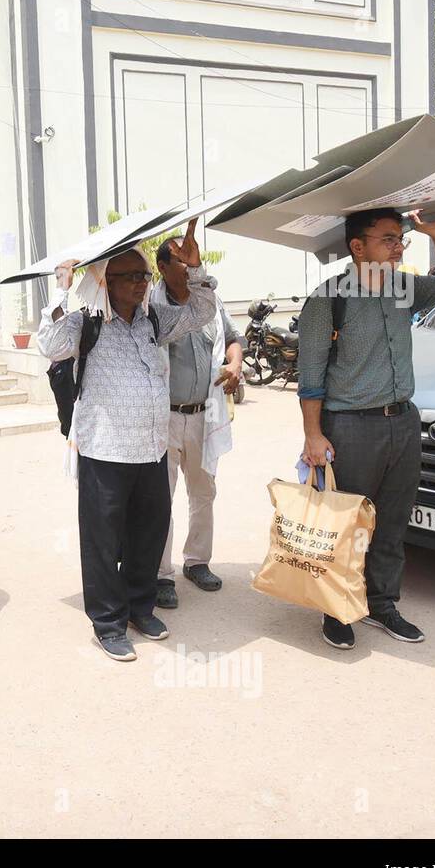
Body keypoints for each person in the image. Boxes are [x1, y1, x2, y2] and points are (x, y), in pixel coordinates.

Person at [36, 220, 217, 662]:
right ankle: (108, 622)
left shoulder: (153, 319)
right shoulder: (86, 323)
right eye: (132, 277)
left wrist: (194, 270)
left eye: (144, 276)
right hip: (106, 452)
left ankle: (140, 606)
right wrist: (60, 289)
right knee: (102, 540)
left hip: (153, 450)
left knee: (148, 534)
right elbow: (50, 344)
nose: (142, 284)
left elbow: (202, 313)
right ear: (106, 282)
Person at [298, 208, 435, 651]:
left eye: (401, 238)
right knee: (347, 523)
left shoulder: (402, 288)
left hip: (403, 422)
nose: (399, 246)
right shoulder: (328, 298)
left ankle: (381, 604)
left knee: (392, 522)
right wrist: (313, 436)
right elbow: (311, 375)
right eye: (389, 238)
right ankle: (336, 608)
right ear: (357, 247)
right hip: (351, 426)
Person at [152, 237, 243, 609]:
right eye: (180, 261)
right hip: (165, 418)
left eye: (193, 261)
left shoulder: (210, 300)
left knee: (203, 492)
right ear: (161, 267)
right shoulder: (151, 308)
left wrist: (235, 364)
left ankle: (197, 562)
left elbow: (234, 338)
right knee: (161, 498)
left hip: (204, 413)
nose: (189, 268)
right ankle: (160, 574)